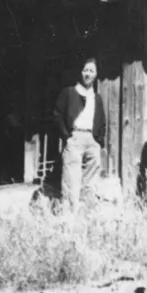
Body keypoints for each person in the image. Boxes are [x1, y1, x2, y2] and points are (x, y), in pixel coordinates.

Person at [53, 58, 106, 213]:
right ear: (80, 72)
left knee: (90, 181)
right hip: (74, 137)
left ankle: (85, 213)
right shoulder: (69, 92)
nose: (88, 74)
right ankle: (69, 216)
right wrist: (66, 136)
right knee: (71, 179)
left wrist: (98, 142)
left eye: (91, 71)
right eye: (85, 70)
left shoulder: (97, 98)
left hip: (92, 140)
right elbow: (57, 115)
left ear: (96, 74)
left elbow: (102, 121)